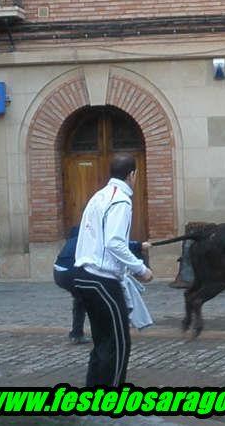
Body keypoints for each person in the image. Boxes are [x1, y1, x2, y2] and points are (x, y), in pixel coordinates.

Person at [72, 154, 153, 387]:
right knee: (118, 343)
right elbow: (114, 242)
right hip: (102, 280)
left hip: (85, 276)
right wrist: (140, 269)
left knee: (103, 342)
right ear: (132, 175)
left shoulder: (100, 196)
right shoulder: (121, 200)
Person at [54, 226, 152, 345]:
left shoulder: (80, 231)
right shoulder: (96, 235)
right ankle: (105, 334)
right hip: (71, 272)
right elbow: (114, 245)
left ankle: (77, 333)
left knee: (81, 299)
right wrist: (139, 245)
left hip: (59, 272)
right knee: (99, 298)